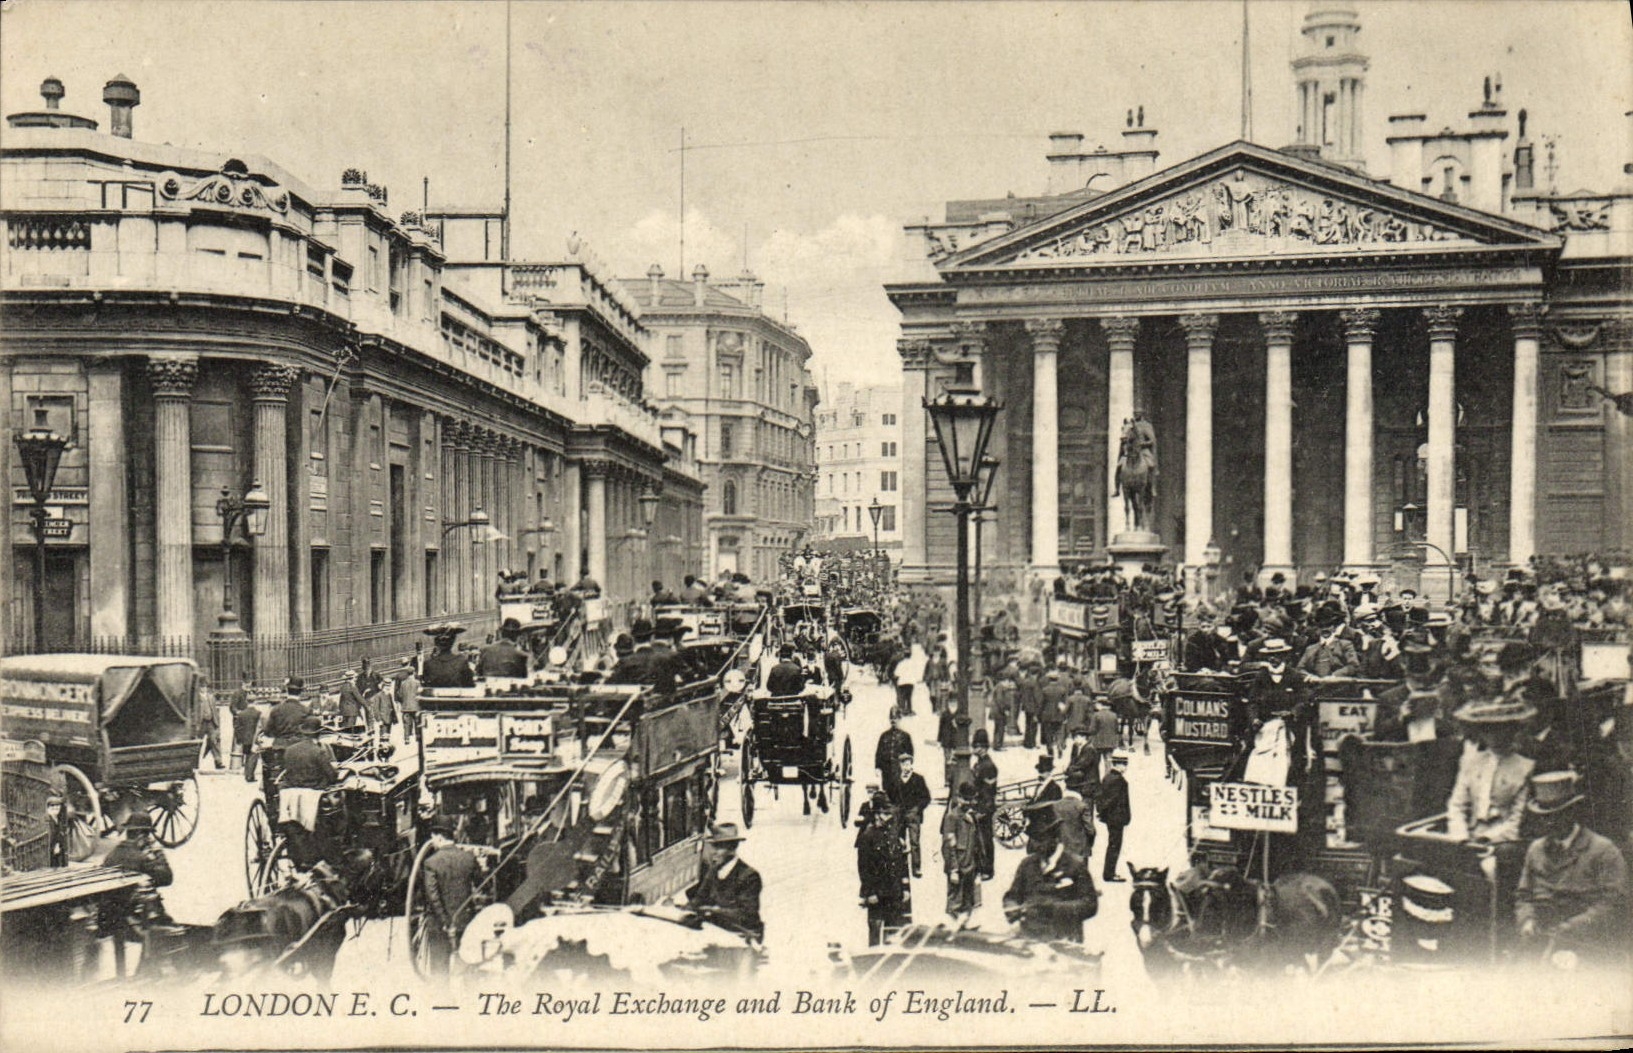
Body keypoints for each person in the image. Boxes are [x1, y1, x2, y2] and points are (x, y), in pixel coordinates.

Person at [1515, 771, 1630, 966]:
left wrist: (1570, 929)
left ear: (1572, 813)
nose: (1549, 822)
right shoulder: (1536, 849)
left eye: (1556, 815)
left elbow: (1613, 904)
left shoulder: (1602, 850)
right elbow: (1524, 895)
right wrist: (1527, 921)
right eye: (1543, 817)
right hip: (1540, 938)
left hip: (1588, 942)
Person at [1002, 806, 1098, 943]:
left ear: (1056, 838)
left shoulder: (1074, 865)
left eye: (1042, 839)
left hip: (1063, 939)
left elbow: (1090, 904)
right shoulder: (1027, 864)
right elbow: (1012, 895)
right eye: (1034, 839)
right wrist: (1012, 909)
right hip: (1030, 938)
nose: (1036, 845)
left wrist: (1054, 908)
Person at [98, 813, 175, 960]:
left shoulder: (112, 855)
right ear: (141, 836)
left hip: (110, 919)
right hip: (133, 923)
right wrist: (158, 854)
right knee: (166, 925)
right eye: (148, 836)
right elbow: (167, 878)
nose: (149, 839)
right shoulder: (142, 858)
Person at [420, 817, 480, 975]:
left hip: (440, 925)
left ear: (439, 836)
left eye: (433, 837)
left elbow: (433, 897)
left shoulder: (431, 862)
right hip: (465, 922)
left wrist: (445, 922)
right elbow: (481, 885)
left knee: (440, 973)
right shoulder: (468, 858)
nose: (432, 842)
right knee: (468, 969)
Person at [688, 822, 764, 942]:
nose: (713, 852)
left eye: (719, 847)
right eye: (713, 847)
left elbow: (747, 914)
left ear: (732, 848)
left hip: (744, 934)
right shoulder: (714, 871)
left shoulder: (750, 876)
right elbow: (699, 899)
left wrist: (712, 911)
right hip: (719, 931)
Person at [856, 794, 910, 945]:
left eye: (889, 813)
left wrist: (905, 887)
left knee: (892, 932)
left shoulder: (894, 834)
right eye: (885, 813)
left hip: (893, 890)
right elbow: (864, 869)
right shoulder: (867, 836)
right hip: (877, 892)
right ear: (877, 814)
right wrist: (870, 892)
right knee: (875, 929)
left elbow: (901, 862)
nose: (888, 817)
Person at [887, 752, 932, 879]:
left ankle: (916, 868)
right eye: (903, 764)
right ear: (900, 766)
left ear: (911, 764)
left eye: (908, 764)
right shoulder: (895, 779)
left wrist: (917, 809)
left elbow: (926, 797)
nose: (906, 767)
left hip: (913, 815)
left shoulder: (918, 779)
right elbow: (890, 795)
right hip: (899, 815)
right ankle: (899, 866)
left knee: (914, 842)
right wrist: (895, 808)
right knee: (898, 840)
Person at [941, 783, 982, 921]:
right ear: (959, 799)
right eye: (966, 799)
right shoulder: (952, 817)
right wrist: (953, 869)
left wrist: (979, 867)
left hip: (971, 866)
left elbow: (978, 843)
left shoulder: (972, 816)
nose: (969, 803)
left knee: (970, 903)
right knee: (955, 905)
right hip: (958, 867)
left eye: (971, 800)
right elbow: (948, 846)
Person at [1098, 751, 1132, 882]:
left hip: (1110, 818)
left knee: (1112, 845)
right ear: (1120, 765)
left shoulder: (1107, 777)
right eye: (1125, 765)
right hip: (1117, 818)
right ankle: (1109, 873)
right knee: (1114, 846)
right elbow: (1112, 800)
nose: (1126, 768)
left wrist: (1102, 813)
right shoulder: (1119, 781)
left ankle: (1109, 872)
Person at [971, 729, 1000, 880]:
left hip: (984, 809)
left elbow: (989, 792)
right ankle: (982, 867)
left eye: (976, 746)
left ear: (982, 747)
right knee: (979, 839)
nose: (974, 749)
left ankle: (988, 869)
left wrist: (983, 810)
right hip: (980, 806)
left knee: (985, 840)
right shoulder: (981, 763)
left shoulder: (988, 766)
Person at [421, 623, 476, 688]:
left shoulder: (428, 663)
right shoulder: (462, 661)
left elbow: (425, 684)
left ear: (436, 643)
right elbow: (469, 685)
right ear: (452, 642)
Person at [875, 708, 913, 789]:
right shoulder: (884, 736)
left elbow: (910, 755)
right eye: (891, 718)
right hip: (886, 772)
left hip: (899, 771)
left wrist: (907, 770)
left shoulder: (905, 736)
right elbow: (879, 753)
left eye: (895, 718)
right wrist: (877, 767)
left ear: (900, 719)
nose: (893, 721)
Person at [396, 660, 421, 744]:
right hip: (416, 706)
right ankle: (418, 737)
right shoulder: (417, 683)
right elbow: (420, 693)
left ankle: (407, 739)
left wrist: (402, 701)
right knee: (417, 722)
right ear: (414, 673)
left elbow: (399, 694)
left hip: (405, 707)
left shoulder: (403, 683)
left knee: (406, 724)